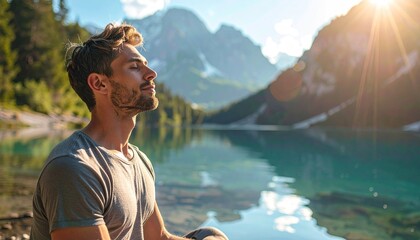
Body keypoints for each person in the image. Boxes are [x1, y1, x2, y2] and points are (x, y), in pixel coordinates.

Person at [30, 23, 228, 240]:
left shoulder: (139, 160)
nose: (151, 73)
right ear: (99, 83)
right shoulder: (74, 167)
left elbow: (159, 237)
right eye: (135, 67)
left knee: (211, 234)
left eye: (146, 65)